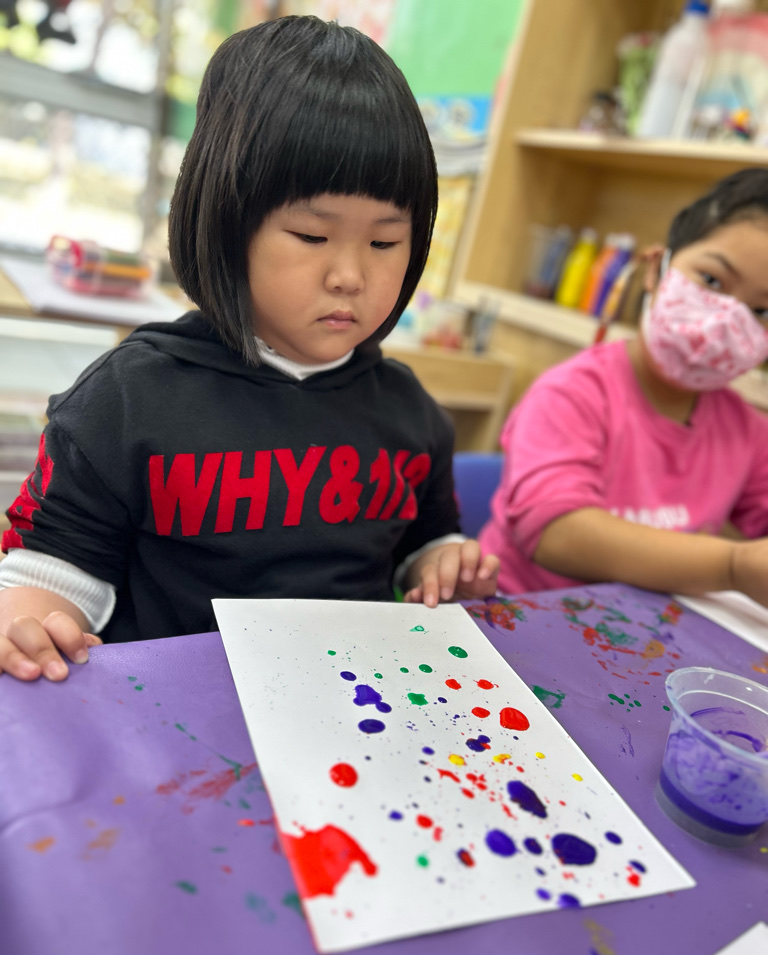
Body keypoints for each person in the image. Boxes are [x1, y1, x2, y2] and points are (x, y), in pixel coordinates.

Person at [0, 16, 498, 683]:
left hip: (356, 705)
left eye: (385, 242)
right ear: (226, 221)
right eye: (312, 236)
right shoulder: (126, 399)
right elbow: (53, 569)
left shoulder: (410, 412)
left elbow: (422, 542)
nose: (350, 275)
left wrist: (440, 562)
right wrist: (30, 618)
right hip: (176, 708)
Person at [480, 168, 768, 603]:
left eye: (762, 311)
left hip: (649, 630)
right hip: (513, 616)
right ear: (656, 269)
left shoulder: (747, 431)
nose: (725, 320)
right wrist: (733, 566)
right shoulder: (571, 393)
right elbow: (556, 532)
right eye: (711, 281)